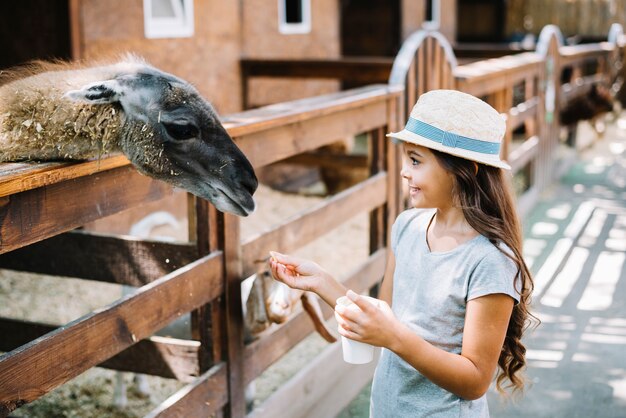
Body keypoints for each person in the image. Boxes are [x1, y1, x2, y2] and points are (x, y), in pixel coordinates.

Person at [269, 89, 534, 417]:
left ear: (465, 170)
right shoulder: (406, 227)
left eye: (416, 161)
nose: (405, 171)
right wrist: (321, 282)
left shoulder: (490, 260)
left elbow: (475, 380)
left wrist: (394, 339)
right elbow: (384, 315)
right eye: (407, 158)